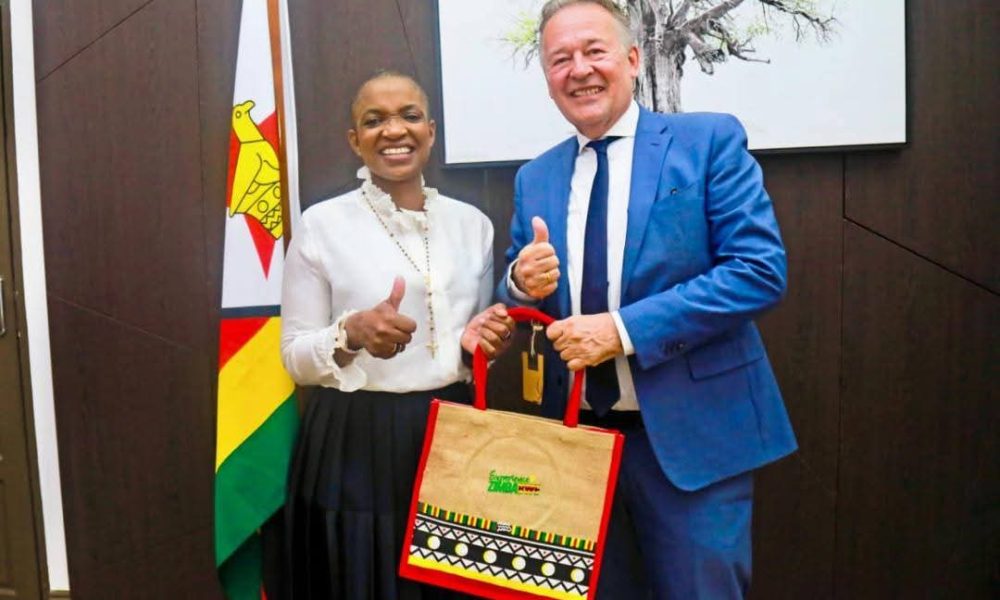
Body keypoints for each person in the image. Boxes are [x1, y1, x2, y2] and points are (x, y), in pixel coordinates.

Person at [495, 1, 798, 598]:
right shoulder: (535, 177)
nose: (579, 69)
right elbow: (516, 295)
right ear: (548, 79)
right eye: (560, 59)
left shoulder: (707, 141)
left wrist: (621, 331)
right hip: (575, 444)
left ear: (633, 59)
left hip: (694, 443)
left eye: (594, 51)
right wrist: (518, 283)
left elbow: (758, 270)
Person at [280, 71, 513, 599]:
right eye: (374, 120)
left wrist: (482, 346)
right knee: (363, 578)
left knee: (453, 585)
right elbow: (294, 357)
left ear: (431, 131)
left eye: (409, 116)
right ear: (354, 140)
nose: (393, 130)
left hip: (452, 430)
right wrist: (350, 333)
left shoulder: (472, 224)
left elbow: (472, 346)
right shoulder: (321, 225)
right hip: (354, 436)